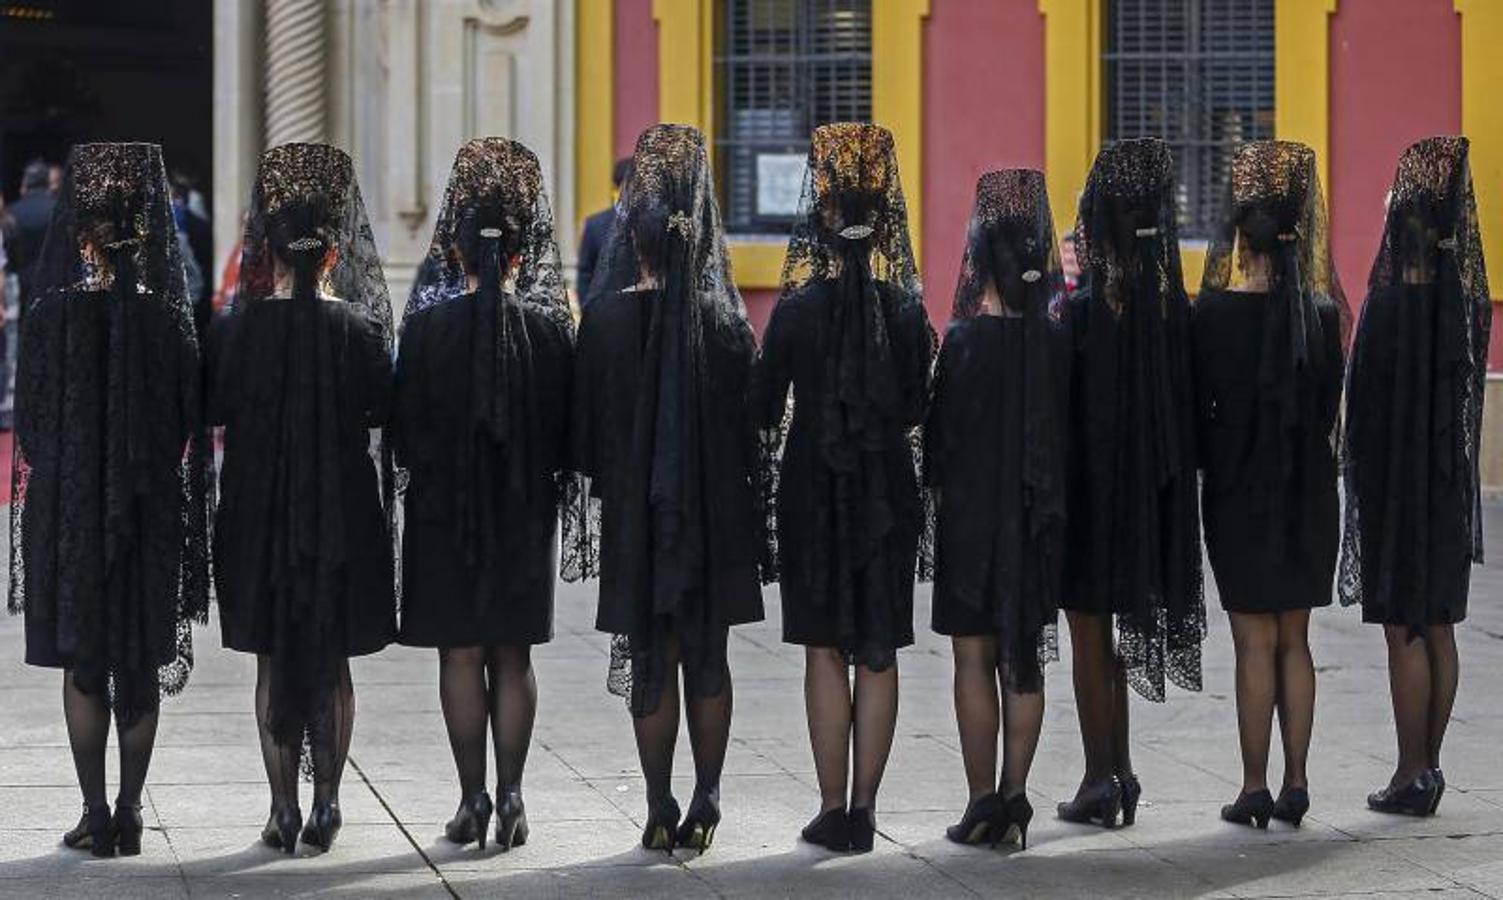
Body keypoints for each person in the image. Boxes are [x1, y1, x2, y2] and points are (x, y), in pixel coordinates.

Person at [564, 124, 764, 853]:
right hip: (711, 513)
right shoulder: (724, 322)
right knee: (708, 658)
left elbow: (582, 442)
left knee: (651, 658)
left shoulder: (605, 321)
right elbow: (755, 429)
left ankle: (656, 804)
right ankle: (708, 797)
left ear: (631, 237)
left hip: (635, 514)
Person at [8, 143, 211, 857]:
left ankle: (94, 808)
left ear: (81, 234)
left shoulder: (48, 315)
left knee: (85, 660)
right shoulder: (167, 317)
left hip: (71, 509)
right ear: (149, 234)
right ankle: (129, 810)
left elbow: (27, 425)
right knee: (139, 657)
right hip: (149, 504)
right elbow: (189, 420)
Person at [209, 143, 397, 854]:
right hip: (342, 506)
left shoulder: (236, 329)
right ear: (330, 256)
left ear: (270, 252)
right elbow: (382, 411)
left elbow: (218, 406)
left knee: (271, 661)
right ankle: (328, 804)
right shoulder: (361, 327)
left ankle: (281, 806)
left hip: (258, 507)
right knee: (333, 661)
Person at [755, 123, 935, 854]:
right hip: (888, 488)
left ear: (820, 222)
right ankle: (865, 806)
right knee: (881, 649)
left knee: (823, 649)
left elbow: (762, 408)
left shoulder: (794, 312)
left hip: (811, 487)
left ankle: (832, 807)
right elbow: (921, 406)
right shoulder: (905, 311)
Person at [394, 138, 575, 851]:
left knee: (459, 657)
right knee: (514, 657)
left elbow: (404, 437)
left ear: (456, 255)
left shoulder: (427, 329)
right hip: (523, 512)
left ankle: (470, 798)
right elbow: (568, 433)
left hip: (443, 515)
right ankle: (513, 796)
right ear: (522, 258)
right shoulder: (549, 332)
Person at [1194, 141, 1348, 829]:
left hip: (1237, 491)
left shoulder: (1213, 317)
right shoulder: (1318, 317)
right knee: (1296, 641)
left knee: (1252, 643)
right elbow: (1325, 411)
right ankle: (1296, 780)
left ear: (1238, 242)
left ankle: (1252, 784)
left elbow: (1200, 411)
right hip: (1307, 491)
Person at [1341, 135, 1490, 817]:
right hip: (1445, 484)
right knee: (1440, 624)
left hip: (1395, 487)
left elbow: (1362, 403)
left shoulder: (1385, 306)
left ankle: (1409, 769)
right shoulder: (1459, 307)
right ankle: (1432, 765)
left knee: (1403, 625)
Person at [1059, 137, 1203, 829]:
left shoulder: (1080, 312)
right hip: (1154, 497)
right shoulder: (1178, 310)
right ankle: (1125, 770)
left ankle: (1101, 774)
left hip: (1089, 497)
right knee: (1119, 629)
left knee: (1090, 634)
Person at [925, 169, 1070, 850]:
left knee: (971, 661)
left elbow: (939, 439)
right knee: (1025, 659)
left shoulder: (960, 343)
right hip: (1035, 520)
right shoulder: (1056, 341)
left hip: (971, 521)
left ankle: (979, 797)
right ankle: (1016, 793)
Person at [576, 158, 633, 305]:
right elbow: (585, 274)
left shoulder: (654, 222)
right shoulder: (595, 225)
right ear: (616, 188)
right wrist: (588, 310)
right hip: (603, 311)